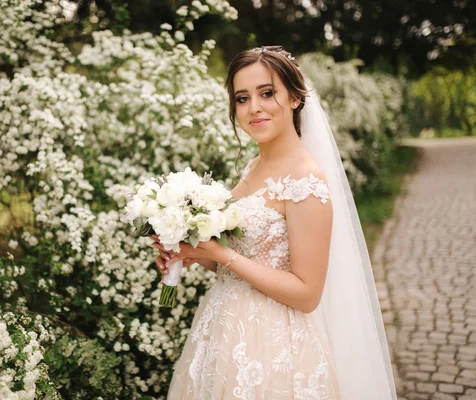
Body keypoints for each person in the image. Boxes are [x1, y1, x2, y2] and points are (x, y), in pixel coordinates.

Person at [151, 46, 396, 399]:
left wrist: (220, 255)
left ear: (295, 97)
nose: (254, 108)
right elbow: (243, 260)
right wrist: (191, 252)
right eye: (242, 98)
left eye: (267, 93)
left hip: (274, 350)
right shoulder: (253, 167)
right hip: (223, 333)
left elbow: (307, 293)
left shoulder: (305, 180)